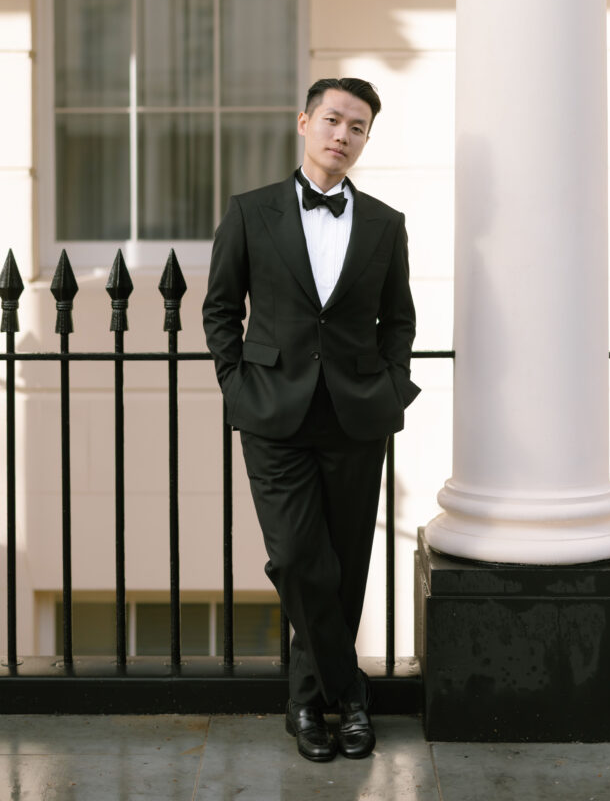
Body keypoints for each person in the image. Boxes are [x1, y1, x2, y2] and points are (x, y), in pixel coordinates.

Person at [202, 77, 420, 762]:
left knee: (344, 566)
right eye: (332, 120)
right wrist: (237, 385)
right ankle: (349, 695)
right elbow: (218, 309)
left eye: (357, 127)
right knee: (298, 559)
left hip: (357, 416)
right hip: (274, 413)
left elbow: (399, 320)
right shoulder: (250, 211)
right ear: (304, 122)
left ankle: (306, 706)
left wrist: (388, 386)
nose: (342, 135)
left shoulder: (386, 224)